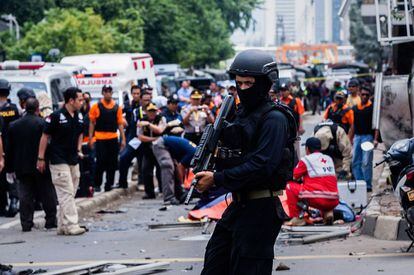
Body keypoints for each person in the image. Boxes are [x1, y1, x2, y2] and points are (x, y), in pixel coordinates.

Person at [195, 50, 296, 275]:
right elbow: (240, 153)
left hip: (261, 209)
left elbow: (262, 165)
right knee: (214, 265)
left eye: (248, 83)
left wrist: (217, 179)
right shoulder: (242, 114)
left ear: (264, 83)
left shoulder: (275, 118)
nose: (243, 88)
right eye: (239, 83)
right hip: (239, 205)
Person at [37, 87, 85, 235]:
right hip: (58, 159)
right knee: (66, 191)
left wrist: (79, 150)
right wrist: (41, 158)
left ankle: (63, 225)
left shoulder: (79, 116)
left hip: (73, 158)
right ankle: (71, 224)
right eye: (80, 99)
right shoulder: (56, 116)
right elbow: (45, 137)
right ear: (71, 100)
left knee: (71, 191)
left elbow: (80, 133)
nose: (82, 102)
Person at [7, 98, 57, 231]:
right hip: (41, 164)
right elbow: (49, 144)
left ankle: (26, 223)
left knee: (25, 195)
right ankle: (51, 220)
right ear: (37, 108)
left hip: (21, 166)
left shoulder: (13, 125)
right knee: (47, 193)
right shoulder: (42, 123)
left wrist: (10, 168)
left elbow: (9, 148)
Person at [285, 137, 339, 226]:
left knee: (289, 186)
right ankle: (328, 213)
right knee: (322, 187)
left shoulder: (306, 159)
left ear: (307, 149)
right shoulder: (328, 158)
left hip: (319, 199)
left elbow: (293, 176)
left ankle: (298, 218)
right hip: (334, 200)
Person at [89, 85, 126, 192]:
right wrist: (91, 138)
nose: (108, 93)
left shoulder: (116, 108)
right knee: (100, 162)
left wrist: (123, 139)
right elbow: (92, 123)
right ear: (102, 93)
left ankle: (109, 184)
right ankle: (97, 184)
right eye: (106, 91)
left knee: (112, 162)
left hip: (113, 138)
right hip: (100, 138)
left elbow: (120, 124)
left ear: (112, 93)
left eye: (110, 91)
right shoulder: (96, 106)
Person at [349, 86, 379, 192]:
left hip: (368, 137)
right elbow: (353, 125)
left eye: (367, 94)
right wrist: (350, 139)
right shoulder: (355, 108)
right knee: (355, 161)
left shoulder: (372, 108)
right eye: (363, 94)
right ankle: (360, 183)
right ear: (359, 95)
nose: (365, 96)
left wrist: (375, 139)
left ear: (369, 96)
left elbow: (376, 125)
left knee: (366, 162)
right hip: (357, 137)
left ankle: (367, 185)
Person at [152, 136, 196, 205]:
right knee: (168, 166)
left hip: (169, 147)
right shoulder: (193, 153)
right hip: (161, 144)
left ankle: (179, 194)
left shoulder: (195, 152)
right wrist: (182, 185)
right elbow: (180, 167)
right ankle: (168, 198)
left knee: (175, 168)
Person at [0, 79, 20, 217]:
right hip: (13, 147)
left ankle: (2, 205)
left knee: (1, 178)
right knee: (12, 175)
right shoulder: (14, 109)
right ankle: (14, 201)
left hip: (1, 148)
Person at [137, 102, 166, 199]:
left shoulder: (161, 119)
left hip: (160, 147)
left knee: (160, 169)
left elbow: (160, 130)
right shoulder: (141, 120)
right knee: (146, 170)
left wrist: (149, 125)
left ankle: (163, 190)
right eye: (150, 111)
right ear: (146, 111)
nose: (152, 113)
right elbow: (140, 136)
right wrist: (153, 139)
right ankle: (149, 193)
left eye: (154, 111)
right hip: (147, 148)